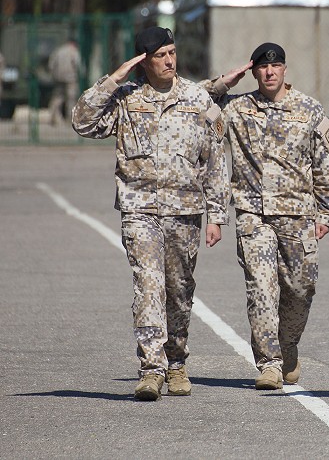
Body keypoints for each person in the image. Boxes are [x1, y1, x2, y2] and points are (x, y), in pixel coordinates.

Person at [72, 26, 230, 401]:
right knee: (148, 285)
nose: (170, 60)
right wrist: (113, 79)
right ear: (144, 61)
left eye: (172, 52)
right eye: (160, 55)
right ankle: (151, 369)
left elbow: (215, 160)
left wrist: (217, 214)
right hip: (139, 209)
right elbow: (82, 121)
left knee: (178, 291)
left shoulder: (196, 97)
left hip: (185, 211)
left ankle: (176, 362)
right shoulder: (126, 98)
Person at [201, 43, 329, 390]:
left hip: (299, 216)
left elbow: (325, 166)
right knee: (261, 290)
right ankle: (269, 364)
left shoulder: (308, 109)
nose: (269, 72)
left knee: (300, 288)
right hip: (253, 215)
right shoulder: (238, 108)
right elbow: (195, 105)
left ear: (284, 69)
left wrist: (325, 212)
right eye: (262, 68)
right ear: (254, 72)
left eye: (275, 66)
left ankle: (287, 345)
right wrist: (224, 82)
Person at [49, 38, 81, 125]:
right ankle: (70, 119)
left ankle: (54, 116)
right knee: (71, 98)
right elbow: (78, 64)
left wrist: (54, 74)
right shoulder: (73, 51)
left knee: (58, 97)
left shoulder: (59, 51)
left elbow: (51, 64)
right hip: (70, 78)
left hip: (58, 78)